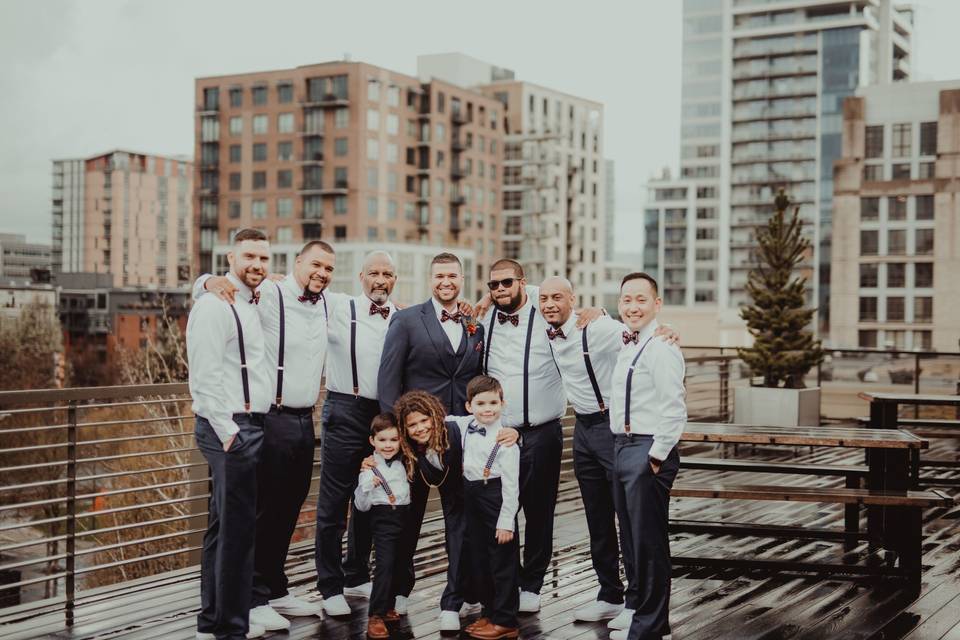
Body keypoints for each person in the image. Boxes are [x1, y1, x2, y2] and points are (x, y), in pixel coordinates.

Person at [193, 241, 335, 629]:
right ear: (298, 262)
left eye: (329, 268)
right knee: (257, 512)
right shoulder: (269, 292)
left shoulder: (327, 302)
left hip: (306, 421)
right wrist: (206, 282)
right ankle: (252, 599)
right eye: (316, 265)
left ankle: (274, 587)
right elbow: (221, 287)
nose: (321, 273)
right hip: (268, 418)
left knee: (289, 508)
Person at [539, 276, 678, 629]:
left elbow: (641, 331)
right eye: (544, 298)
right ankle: (609, 595)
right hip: (581, 429)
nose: (550, 303)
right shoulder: (542, 320)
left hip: (613, 428)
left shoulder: (599, 328)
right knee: (597, 517)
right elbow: (515, 291)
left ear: (573, 298)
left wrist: (668, 332)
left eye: (558, 297)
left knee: (629, 519)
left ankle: (636, 603)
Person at [376, 252, 485, 616]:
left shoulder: (475, 325)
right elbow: (388, 380)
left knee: (462, 519)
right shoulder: (406, 321)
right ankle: (396, 592)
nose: (446, 282)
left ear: (462, 278)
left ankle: (463, 590)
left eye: (452, 276)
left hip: (459, 440)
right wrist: (395, 441)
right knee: (407, 519)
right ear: (430, 279)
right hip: (415, 439)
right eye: (439, 276)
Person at [187, 228, 273, 640]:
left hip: (246, 425)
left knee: (223, 529)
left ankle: (212, 623)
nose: (257, 265)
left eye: (263, 258)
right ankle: (231, 630)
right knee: (238, 535)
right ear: (230, 258)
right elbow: (203, 376)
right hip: (230, 427)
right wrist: (228, 432)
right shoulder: (214, 305)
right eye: (249, 257)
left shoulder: (255, 298)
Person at [381, 390, 517, 632]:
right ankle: (466, 602)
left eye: (425, 420)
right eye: (412, 425)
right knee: (456, 543)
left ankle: (460, 606)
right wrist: (369, 462)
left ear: (435, 416)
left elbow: (486, 417)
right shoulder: (406, 445)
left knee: (490, 553)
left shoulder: (457, 426)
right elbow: (384, 446)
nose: (421, 428)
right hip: (454, 498)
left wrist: (515, 432)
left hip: (480, 494)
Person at [479, 259, 567, 613]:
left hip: (542, 432)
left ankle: (533, 584)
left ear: (522, 284)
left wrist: (598, 311)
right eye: (493, 285)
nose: (499, 289)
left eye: (506, 283)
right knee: (503, 509)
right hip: (500, 434)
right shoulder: (485, 320)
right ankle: (508, 580)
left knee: (540, 510)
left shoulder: (544, 313)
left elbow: (567, 306)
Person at [315, 251, 399, 616]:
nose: (381, 280)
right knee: (334, 502)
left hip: (383, 414)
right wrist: (208, 282)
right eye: (374, 273)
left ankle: (355, 575)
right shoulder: (337, 306)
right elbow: (288, 293)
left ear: (395, 279)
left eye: (388, 274)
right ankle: (330, 587)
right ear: (361, 276)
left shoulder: (402, 317)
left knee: (370, 494)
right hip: (345, 408)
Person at [608, 273, 686, 640]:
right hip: (622, 447)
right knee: (632, 540)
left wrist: (654, 458)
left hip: (646, 450)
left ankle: (652, 629)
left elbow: (674, 410)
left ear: (657, 304)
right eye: (626, 300)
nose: (632, 306)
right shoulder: (629, 343)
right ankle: (645, 616)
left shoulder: (662, 347)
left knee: (649, 544)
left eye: (641, 299)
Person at [446, 376, 521, 640]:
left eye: (493, 402)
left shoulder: (507, 441)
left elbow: (512, 487)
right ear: (469, 406)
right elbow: (438, 419)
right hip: (471, 497)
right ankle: (490, 612)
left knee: (502, 562)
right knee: (481, 560)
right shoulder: (465, 424)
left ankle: (506, 620)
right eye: (480, 403)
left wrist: (506, 521)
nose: (487, 409)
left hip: (496, 497)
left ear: (503, 403)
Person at [353, 413, 417, 640]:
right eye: (382, 440)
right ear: (372, 441)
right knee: (384, 565)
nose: (388, 445)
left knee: (401, 562)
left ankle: (389, 604)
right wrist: (368, 485)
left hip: (405, 516)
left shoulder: (405, 461)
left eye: (393, 439)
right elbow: (360, 506)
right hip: (383, 520)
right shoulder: (369, 468)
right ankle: (375, 615)